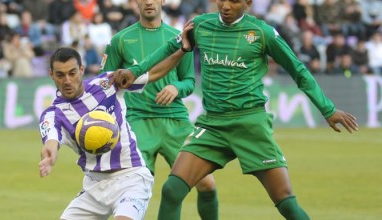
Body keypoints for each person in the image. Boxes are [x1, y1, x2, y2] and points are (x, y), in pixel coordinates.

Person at [111, 0, 359, 219]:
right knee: (172, 189)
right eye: (221, 0)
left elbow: (299, 71)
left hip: (250, 124)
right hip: (213, 125)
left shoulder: (262, 33)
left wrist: (327, 109)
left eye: (235, 1)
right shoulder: (200, 25)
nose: (226, 6)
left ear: (248, 3)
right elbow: (168, 49)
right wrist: (135, 71)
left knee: (286, 204)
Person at [101, 0, 219, 219]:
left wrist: (176, 87)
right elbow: (104, 85)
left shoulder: (178, 37)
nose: (148, 2)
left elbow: (189, 81)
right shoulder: (120, 40)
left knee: (207, 184)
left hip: (175, 122)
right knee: (132, 193)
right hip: (137, 123)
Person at [38, 46, 182, 220]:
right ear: (51, 74)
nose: (67, 80)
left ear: (82, 70)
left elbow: (153, 73)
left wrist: (182, 50)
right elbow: (51, 141)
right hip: (93, 187)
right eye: (60, 75)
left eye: (72, 73)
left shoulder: (108, 82)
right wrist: (50, 155)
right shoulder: (52, 114)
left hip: (131, 177)